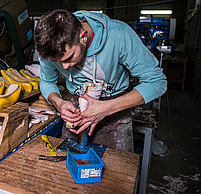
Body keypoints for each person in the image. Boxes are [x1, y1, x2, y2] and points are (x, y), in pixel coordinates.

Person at [34, 9, 167, 152]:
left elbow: (157, 82)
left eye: (69, 58)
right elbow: (47, 81)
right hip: (75, 114)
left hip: (115, 112)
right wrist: (58, 103)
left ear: (83, 36)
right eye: (57, 62)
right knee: (67, 168)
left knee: (116, 171)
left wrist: (107, 108)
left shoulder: (118, 35)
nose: (64, 67)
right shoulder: (49, 46)